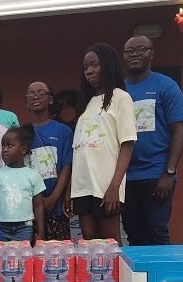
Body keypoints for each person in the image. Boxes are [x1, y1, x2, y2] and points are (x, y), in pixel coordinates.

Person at [122, 36, 183, 245]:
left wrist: (169, 172)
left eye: (140, 50)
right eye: (129, 51)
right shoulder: (119, 91)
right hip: (127, 177)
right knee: (133, 234)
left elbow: (179, 130)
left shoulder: (166, 86)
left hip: (156, 174)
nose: (134, 55)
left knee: (157, 233)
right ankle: (139, 279)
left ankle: (160, 277)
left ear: (152, 53)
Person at [69, 43, 136, 241]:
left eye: (95, 65)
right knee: (90, 241)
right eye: (85, 67)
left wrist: (114, 186)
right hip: (82, 186)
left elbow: (127, 144)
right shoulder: (85, 103)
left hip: (106, 184)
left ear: (108, 65)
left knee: (110, 243)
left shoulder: (121, 98)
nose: (89, 71)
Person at [23, 81, 74, 240]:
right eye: (31, 93)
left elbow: (66, 166)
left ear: (50, 100)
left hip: (56, 205)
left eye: (41, 92)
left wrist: (53, 198)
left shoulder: (63, 130)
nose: (35, 96)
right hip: (28, 207)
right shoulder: (22, 133)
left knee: (58, 256)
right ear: (26, 102)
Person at [0, 127, 46, 242]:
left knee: (22, 258)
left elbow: (38, 206)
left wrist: (41, 233)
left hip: (24, 227)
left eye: (9, 146)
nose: (4, 150)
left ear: (23, 149)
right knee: (0, 257)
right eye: (3, 146)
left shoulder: (33, 175)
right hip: (0, 227)